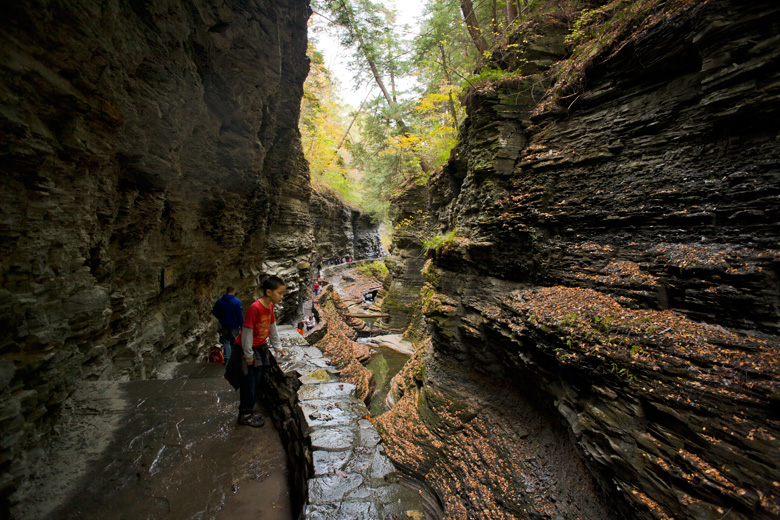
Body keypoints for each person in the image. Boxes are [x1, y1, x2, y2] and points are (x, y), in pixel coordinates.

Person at [233, 276, 286, 427]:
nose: (282, 296)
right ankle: (245, 414)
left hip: (260, 348)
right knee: (248, 383)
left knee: (256, 381)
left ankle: (249, 409)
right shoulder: (255, 308)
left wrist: (277, 347)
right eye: (280, 293)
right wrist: (248, 354)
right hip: (249, 350)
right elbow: (247, 331)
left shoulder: (269, 306)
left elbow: (272, 327)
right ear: (268, 292)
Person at [211, 286, 243, 362]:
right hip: (235, 325)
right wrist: (242, 325)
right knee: (235, 341)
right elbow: (239, 315)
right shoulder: (236, 301)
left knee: (226, 341)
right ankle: (236, 358)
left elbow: (214, 311)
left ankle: (227, 359)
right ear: (233, 292)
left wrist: (220, 318)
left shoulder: (220, 301)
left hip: (224, 325)